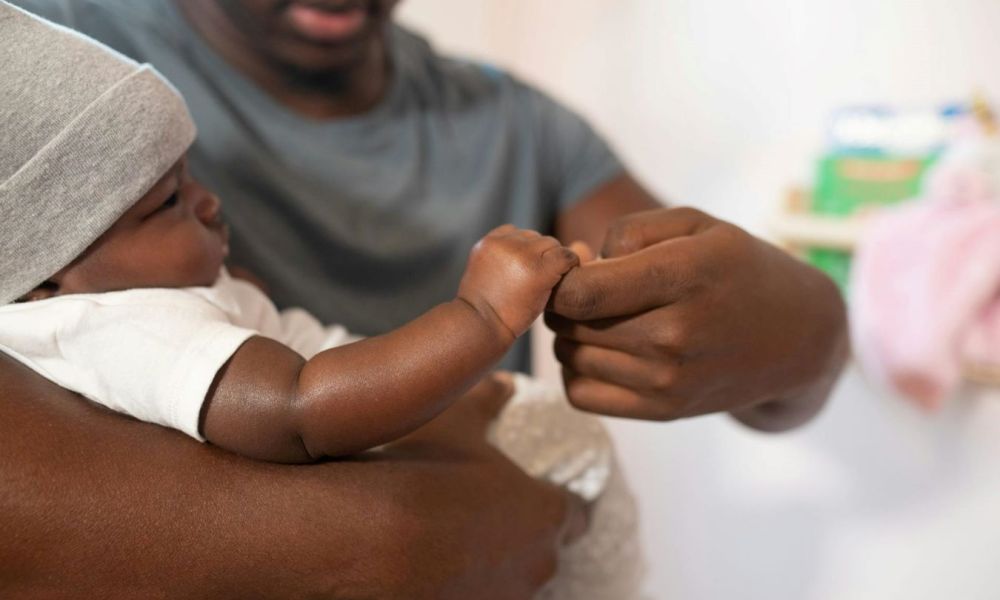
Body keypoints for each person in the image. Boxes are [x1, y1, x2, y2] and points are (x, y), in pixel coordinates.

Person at [2, 0, 849, 595]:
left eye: (193, 186)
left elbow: (721, 346)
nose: (210, 202)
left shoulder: (523, 124)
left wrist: (809, 332)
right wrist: (329, 541)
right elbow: (299, 408)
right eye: (167, 203)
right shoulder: (58, 82)